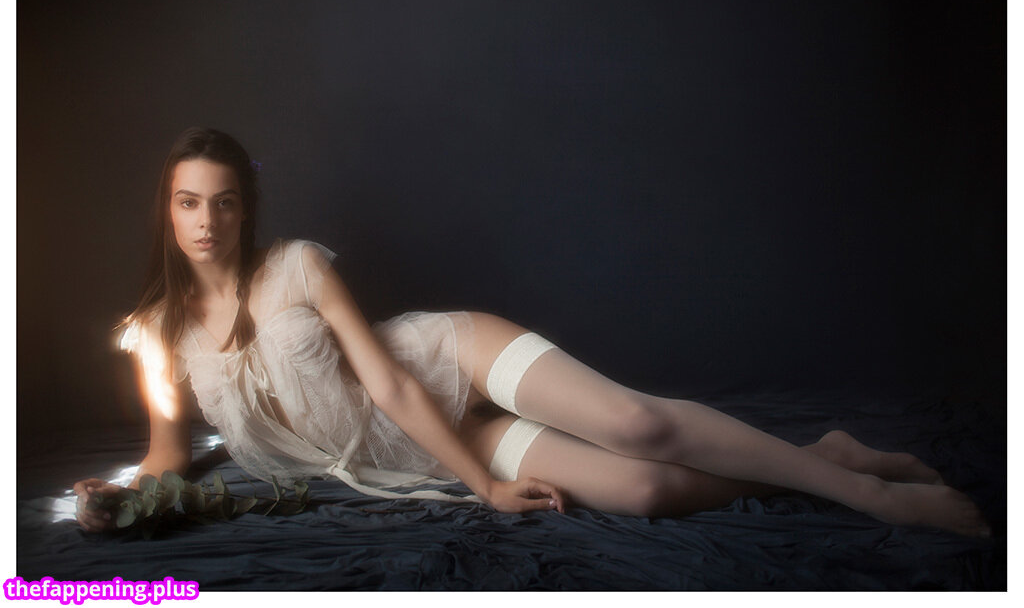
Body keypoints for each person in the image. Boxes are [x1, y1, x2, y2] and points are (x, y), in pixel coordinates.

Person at [75, 127, 991, 537]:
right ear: (167, 210)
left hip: (453, 364)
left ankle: (866, 493)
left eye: (224, 202)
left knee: (638, 423)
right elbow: (167, 453)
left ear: (246, 208)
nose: (207, 221)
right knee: (643, 490)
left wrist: (484, 489)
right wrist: (116, 495)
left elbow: (391, 383)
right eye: (189, 202)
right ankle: (824, 453)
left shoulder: (298, 266)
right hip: (430, 452)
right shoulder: (157, 334)